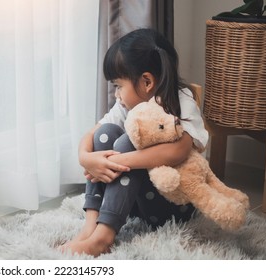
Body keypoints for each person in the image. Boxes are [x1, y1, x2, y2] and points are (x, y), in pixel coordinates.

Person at [59, 28, 209, 257]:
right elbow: (93, 134)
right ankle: (91, 225)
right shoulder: (126, 106)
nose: (117, 95)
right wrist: (86, 158)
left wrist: (117, 161)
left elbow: (179, 150)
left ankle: (103, 238)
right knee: (106, 134)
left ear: (147, 81)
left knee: (128, 142)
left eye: (119, 86)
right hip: (134, 205)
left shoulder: (181, 101)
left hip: (173, 206)